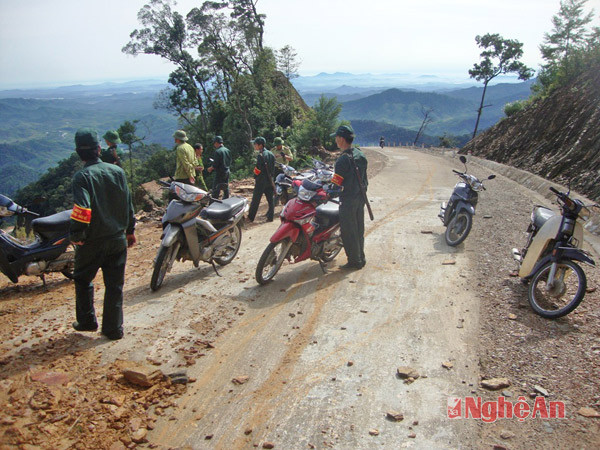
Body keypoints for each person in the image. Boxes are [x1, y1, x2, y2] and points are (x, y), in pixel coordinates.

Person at [70, 128, 136, 340]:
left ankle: (87, 320)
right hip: (117, 239)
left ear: (79, 153)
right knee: (114, 285)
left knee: (82, 278)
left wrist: (77, 234)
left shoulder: (82, 177)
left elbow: (82, 208)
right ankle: (114, 329)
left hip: (92, 241)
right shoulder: (117, 172)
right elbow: (128, 203)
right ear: (99, 149)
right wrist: (130, 230)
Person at [330, 125, 368, 270]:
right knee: (358, 229)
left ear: (341, 139)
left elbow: (335, 185)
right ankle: (361, 258)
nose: (335, 140)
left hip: (348, 200)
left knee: (348, 231)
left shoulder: (342, 161)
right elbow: (364, 179)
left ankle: (354, 262)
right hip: (361, 197)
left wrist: (328, 194)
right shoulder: (360, 154)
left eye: (336, 137)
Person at [247, 137, 275, 222]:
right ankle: (270, 217)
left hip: (261, 181)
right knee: (270, 199)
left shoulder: (261, 155)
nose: (254, 146)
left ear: (260, 145)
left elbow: (258, 169)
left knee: (255, 200)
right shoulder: (271, 154)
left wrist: (254, 176)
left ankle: (251, 217)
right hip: (270, 180)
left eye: (255, 144)